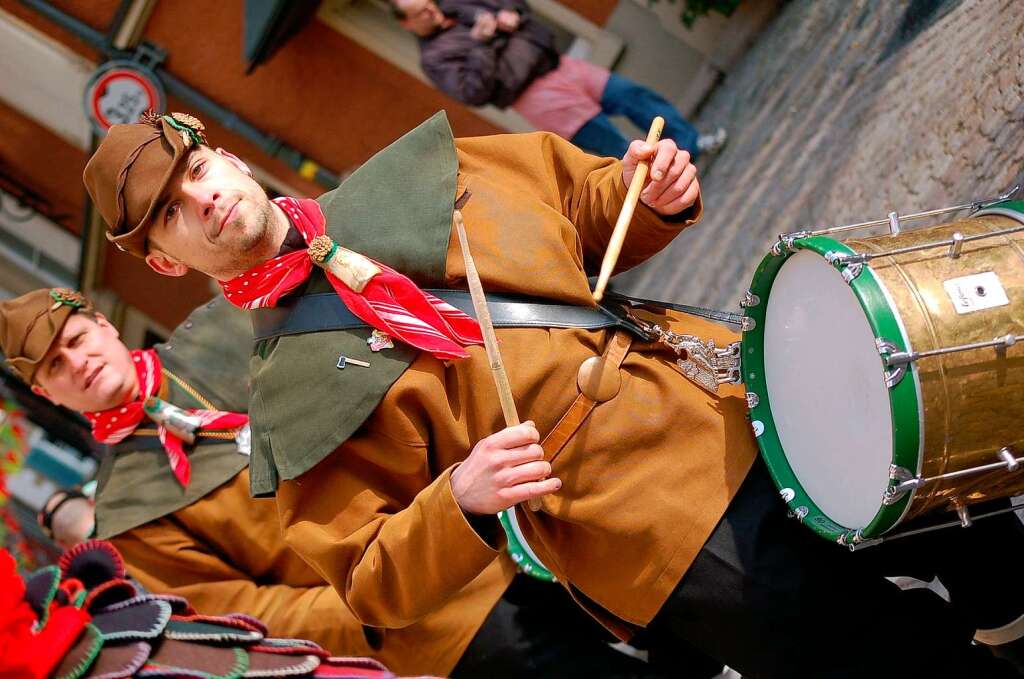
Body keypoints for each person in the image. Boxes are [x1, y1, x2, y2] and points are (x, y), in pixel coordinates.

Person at [81, 110, 1019, 677]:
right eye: (171, 211)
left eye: (194, 171)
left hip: (739, 395)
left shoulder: (426, 174)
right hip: (659, 532)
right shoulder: (283, 410)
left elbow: (579, 205)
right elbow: (367, 575)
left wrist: (646, 198)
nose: (200, 199)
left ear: (227, 159)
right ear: (167, 258)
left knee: (985, 537)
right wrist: (459, 500)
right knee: (886, 665)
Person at [0, 286, 693, 678]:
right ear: (49, 394)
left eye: (77, 338)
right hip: (438, 616)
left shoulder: (225, 337)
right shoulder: (127, 513)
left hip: (523, 526)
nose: (78, 362)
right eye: (55, 366)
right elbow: (247, 609)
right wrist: (378, 587)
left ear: (102, 322)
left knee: (696, 630)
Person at [392, 0, 726, 160]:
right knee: (614, 144)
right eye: (419, 13)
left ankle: (693, 144)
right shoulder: (434, 58)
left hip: (561, 64)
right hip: (533, 95)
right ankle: (667, 185)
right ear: (406, 24)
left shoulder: (457, 3)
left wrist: (512, 13)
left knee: (636, 97)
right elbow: (472, 92)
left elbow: (514, 3)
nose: (430, 11)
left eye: (427, 3)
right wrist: (481, 45)